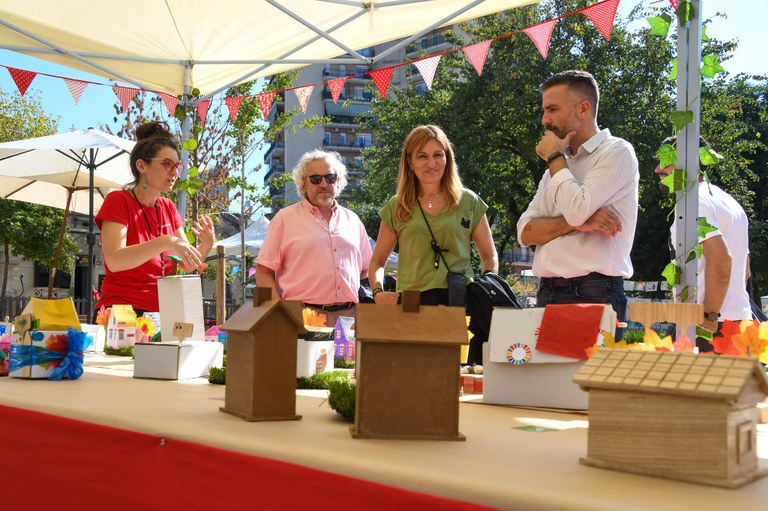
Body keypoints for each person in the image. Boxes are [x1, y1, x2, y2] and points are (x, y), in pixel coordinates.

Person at [517, 70, 639, 325]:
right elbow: (525, 232)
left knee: (592, 368)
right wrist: (578, 224)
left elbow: (575, 209)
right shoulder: (559, 166)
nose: (544, 120)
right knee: (547, 368)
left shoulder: (617, 152)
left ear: (583, 109)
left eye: (552, 109)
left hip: (595, 292)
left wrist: (554, 158)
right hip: (548, 292)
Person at [369, 125, 498, 307]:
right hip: (411, 300)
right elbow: (378, 261)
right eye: (422, 156)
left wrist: (488, 286)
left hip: (459, 298)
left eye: (438, 155)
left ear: (447, 158)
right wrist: (377, 292)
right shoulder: (397, 206)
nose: (432, 163)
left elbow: (489, 256)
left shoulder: (469, 202)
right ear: (410, 162)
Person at [95, 121, 215, 317]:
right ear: (141, 165)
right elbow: (115, 260)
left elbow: (187, 264)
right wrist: (164, 242)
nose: (175, 172)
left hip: (163, 313)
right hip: (122, 313)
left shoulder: (167, 207)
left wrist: (206, 244)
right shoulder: (118, 200)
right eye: (168, 164)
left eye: (178, 166)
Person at [654, 136, 751, 351]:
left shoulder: (693, 202)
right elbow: (744, 270)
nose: (657, 169)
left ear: (689, 163)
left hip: (707, 326)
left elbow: (722, 259)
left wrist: (709, 315)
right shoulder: (728, 201)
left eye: (665, 161)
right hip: (736, 323)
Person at [256, 150, 372, 326]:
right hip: (303, 316)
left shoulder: (353, 220)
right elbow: (263, 270)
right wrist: (279, 310)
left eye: (330, 177)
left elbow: (366, 269)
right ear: (303, 183)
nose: (324, 184)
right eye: (316, 179)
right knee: (307, 356)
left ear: (338, 181)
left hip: (348, 319)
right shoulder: (284, 219)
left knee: (347, 356)